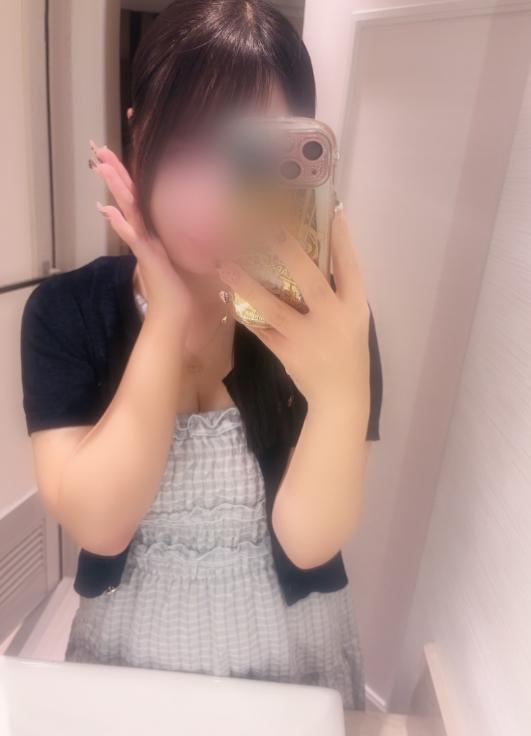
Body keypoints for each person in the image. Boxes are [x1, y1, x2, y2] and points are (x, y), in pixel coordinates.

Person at [20, 0, 382, 711]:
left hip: (292, 666)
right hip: (126, 661)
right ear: (139, 134)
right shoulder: (67, 313)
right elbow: (100, 525)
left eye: (252, 157)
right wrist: (166, 319)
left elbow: (309, 543)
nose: (216, 197)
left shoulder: (329, 321)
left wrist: (343, 390)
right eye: (189, 148)